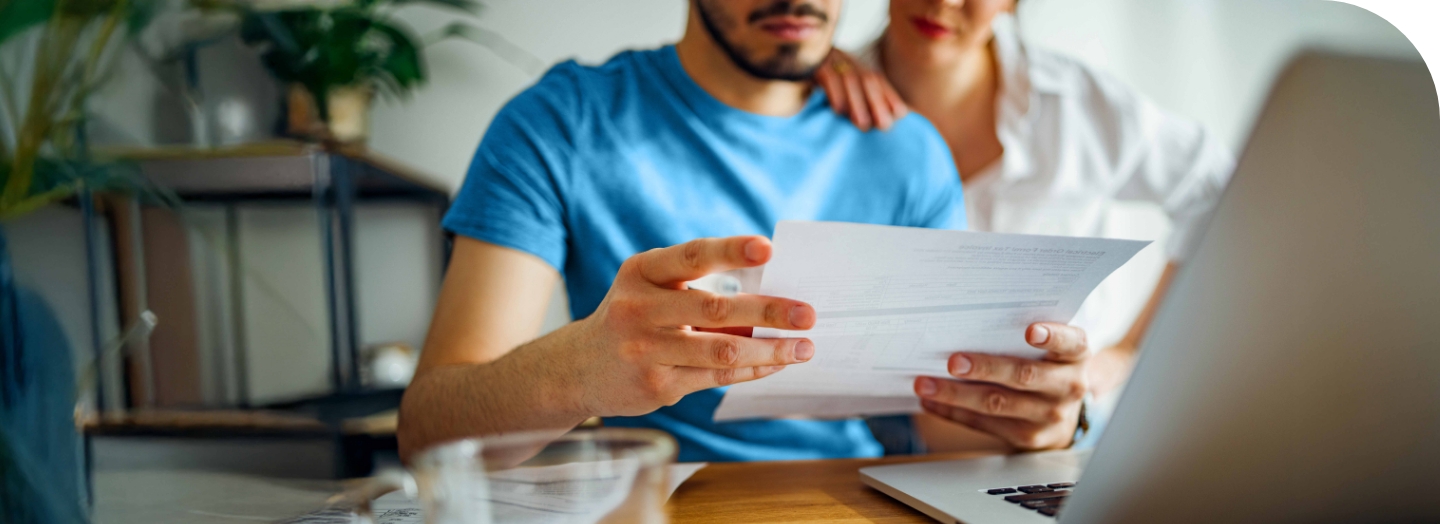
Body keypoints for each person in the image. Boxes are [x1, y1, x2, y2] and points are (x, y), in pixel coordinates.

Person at [398, 0, 1100, 462]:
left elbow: (946, 427)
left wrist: (1033, 421)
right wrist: (581, 369)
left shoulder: (903, 148)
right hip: (665, 499)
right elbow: (429, 431)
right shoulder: (561, 122)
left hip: (853, 499)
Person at [815, 0, 1233, 451]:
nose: (942, 2)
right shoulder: (814, 95)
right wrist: (809, 58)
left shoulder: (1078, 107)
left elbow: (1218, 191)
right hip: (871, 438)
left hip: (1061, 429)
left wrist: (1129, 353)